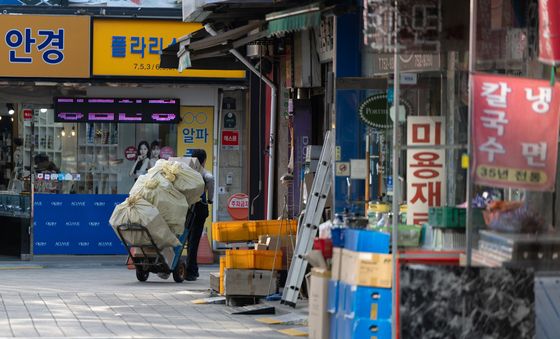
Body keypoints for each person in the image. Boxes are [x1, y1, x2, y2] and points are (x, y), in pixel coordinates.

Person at [185, 149, 214, 281]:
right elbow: (210, 181)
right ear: (204, 160)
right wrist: (210, 200)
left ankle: (193, 268)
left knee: (188, 237)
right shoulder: (204, 173)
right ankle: (190, 270)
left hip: (186, 208)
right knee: (194, 239)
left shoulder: (186, 172)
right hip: (199, 208)